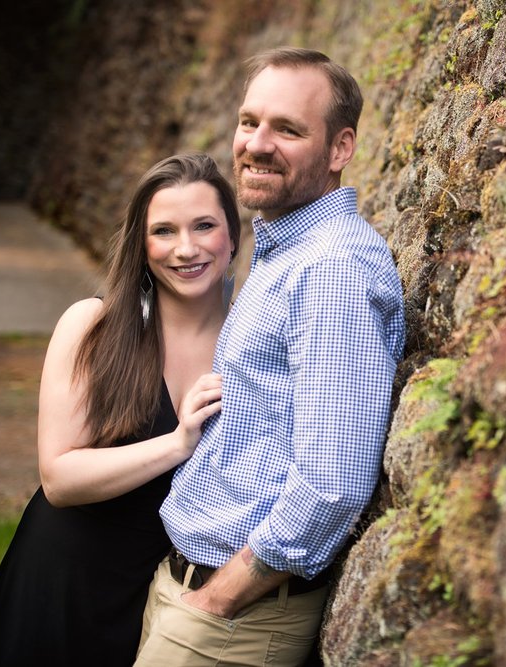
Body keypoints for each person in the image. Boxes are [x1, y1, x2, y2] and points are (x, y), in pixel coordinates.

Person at [134, 47, 405, 666]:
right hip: (190, 594)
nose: (256, 144)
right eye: (249, 121)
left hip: (233, 620)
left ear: (340, 149)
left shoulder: (331, 270)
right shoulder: (286, 248)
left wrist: (220, 599)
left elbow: (332, 482)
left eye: (287, 129)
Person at [0, 153, 241, 667]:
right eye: (164, 231)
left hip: (162, 600)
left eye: (204, 225)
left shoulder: (248, 345)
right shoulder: (94, 326)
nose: (186, 248)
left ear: (232, 236)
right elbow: (59, 478)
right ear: (142, 244)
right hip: (62, 581)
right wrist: (178, 442)